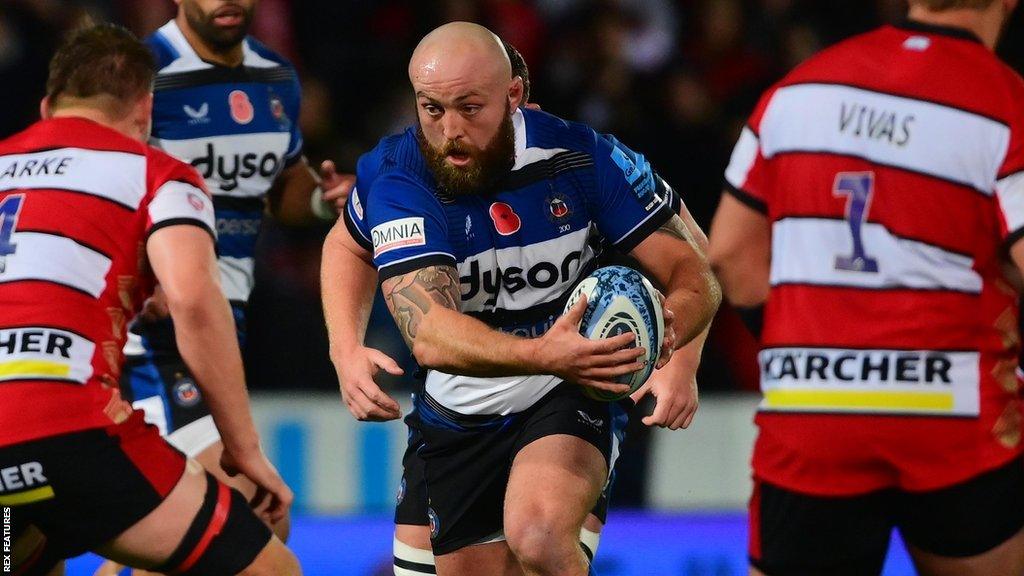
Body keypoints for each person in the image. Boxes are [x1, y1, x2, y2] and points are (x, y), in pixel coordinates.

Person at [323, 22, 719, 576]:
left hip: (571, 387)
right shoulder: (398, 176)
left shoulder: (581, 155)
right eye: (432, 109)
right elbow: (415, 316)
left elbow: (693, 263)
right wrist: (345, 348)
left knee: (538, 536)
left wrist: (677, 346)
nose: (450, 130)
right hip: (458, 408)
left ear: (514, 95)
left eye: (469, 107)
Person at [708, 1, 1024, 574]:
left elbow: (730, 255)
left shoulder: (796, 90)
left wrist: (809, 349)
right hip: (954, 412)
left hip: (812, 406)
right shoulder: (1009, 104)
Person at [0, 24, 298, 575]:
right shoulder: (156, 174)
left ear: (47, 107)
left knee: (25, 550)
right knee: (269, 564)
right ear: (144, 112)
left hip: (11, 460)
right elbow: (192, 301)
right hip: (70, 430)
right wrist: (244, 448)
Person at [99, 3, 351, 573]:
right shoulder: (141, 74)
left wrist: (317, 197)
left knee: (210, 525)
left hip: (221, 324)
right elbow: (104, 183)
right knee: (245, 513)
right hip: (153, 332)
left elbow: (280, 182)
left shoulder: (277, 77)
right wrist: (140, 265)